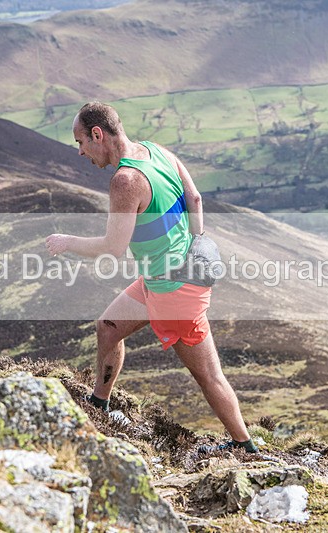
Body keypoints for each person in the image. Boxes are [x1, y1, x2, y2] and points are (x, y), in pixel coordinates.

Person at [45, 102, 257, 453]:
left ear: (98, 134)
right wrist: (195, 246)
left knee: (207, 375)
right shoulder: (155, 151)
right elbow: (194, 198)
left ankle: (243, 446)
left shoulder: (125, 181)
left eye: (80, 142)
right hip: (159, 280)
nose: (80, 151)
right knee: (108, 327)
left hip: (176, 292)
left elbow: (114, 247)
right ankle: (99, 403)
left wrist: (67, 242)